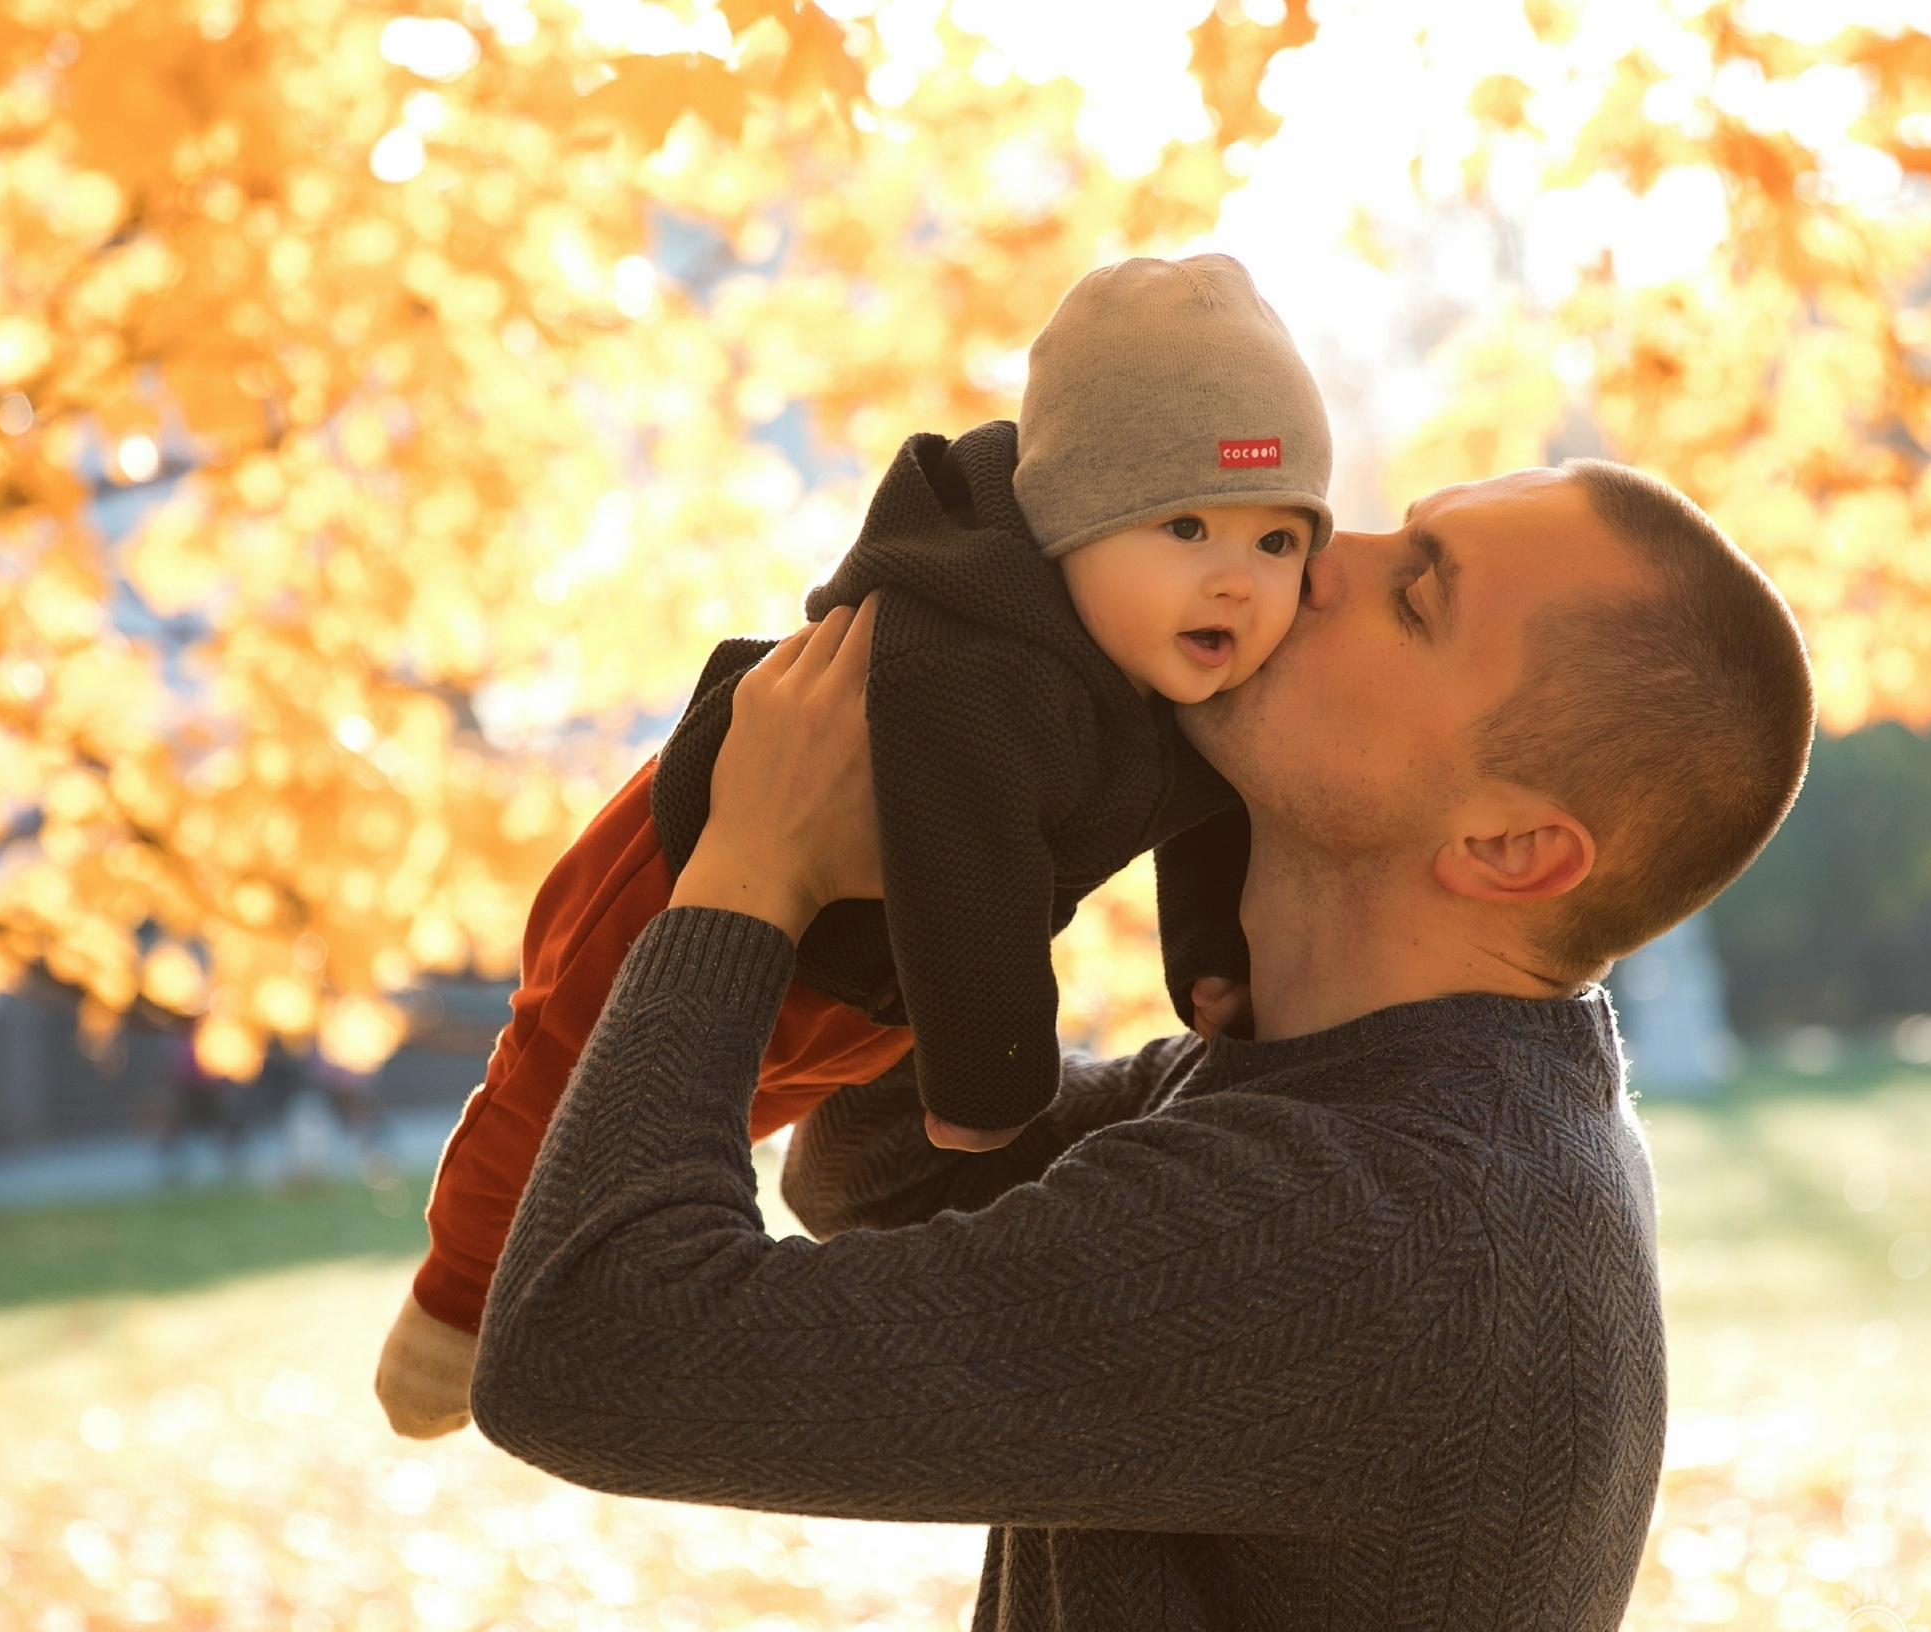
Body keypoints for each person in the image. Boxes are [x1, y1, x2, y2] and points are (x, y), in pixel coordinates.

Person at [471, 459, 1817, 1632]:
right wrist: (961, 825)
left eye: (1412, 592)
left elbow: (581, 1347)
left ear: (1513, 844)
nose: (1311, 554)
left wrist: (750, 876)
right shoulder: (1410, 1096)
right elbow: (885, 1172)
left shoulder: (1363, 1222)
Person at [375, 255, 1332, 1439]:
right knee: (561, 1088)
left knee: (727, 1115)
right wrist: (990, 1095)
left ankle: (525, 1266)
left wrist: (1210, 962)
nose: (1236, 583)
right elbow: (969, 876)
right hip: (695, 876)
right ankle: (453, 1299)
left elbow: (1219, 793)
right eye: (1184, 525)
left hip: (865, 971)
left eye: (1278, 543)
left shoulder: (1176, 657)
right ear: (1070, 523)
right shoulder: (976, 658)